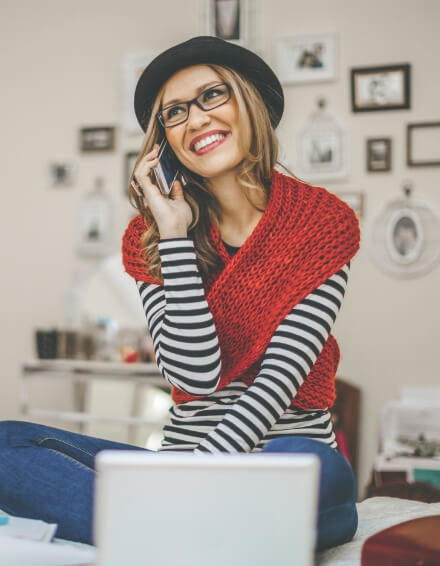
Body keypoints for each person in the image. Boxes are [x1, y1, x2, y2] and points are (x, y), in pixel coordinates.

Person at [0, 36, 360, 550]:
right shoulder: (148, 238)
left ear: (248, 101)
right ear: (164, 142)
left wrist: (185, 482)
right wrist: (172, 235)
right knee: (6, 445)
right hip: (182, 465)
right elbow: (195, 375)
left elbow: (275, 385)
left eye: (212, 95)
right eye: (175, 112)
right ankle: (205, 530)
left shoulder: (322, 223)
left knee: (321, 471)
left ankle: (161, 524)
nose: (195, 119)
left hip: (280, 457)